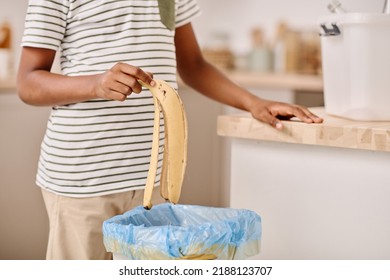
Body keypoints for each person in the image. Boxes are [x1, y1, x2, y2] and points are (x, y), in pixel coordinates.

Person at [17, 0, 323, 260]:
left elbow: (193, 65)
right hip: (84, 179)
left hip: (154, 182)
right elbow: (28, 82)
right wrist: (96, 84)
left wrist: (252, 102)